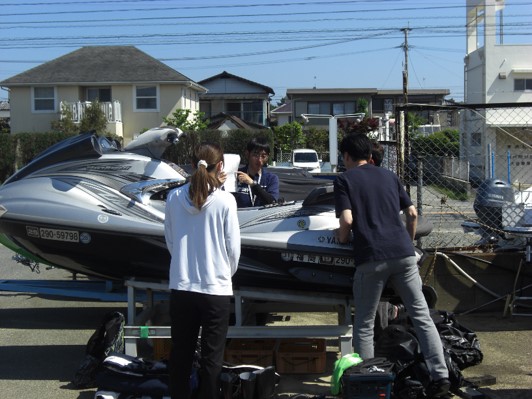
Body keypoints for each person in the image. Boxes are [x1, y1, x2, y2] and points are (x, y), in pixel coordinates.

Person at [334, 133, 450, 398]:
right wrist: (407, 243)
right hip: (404, 255)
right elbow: (412, 214)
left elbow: (348, 221)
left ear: (347, 156)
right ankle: (440, 376)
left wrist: (340, 236)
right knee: (421, 315)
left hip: (371, 257)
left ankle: (369, 381)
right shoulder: (389, 176)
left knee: (364, 323)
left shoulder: (344, 180)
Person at [164, 143, 241, 399]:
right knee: (212, 358)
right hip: (215, 289)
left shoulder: (173, 198)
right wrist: (222, 274)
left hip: (182, 286)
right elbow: (233, 250)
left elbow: (171, 242)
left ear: (190, 164)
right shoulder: (226, 201)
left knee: (181, 355)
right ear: (220, 167)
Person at [233, 137, 279, 207]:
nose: (259, 160)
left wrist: (252, 184)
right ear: (247, 154)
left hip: (261, 217)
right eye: (256, 155)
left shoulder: (271, 178)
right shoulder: (236, 175)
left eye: (263, 156)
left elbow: (272, 202)